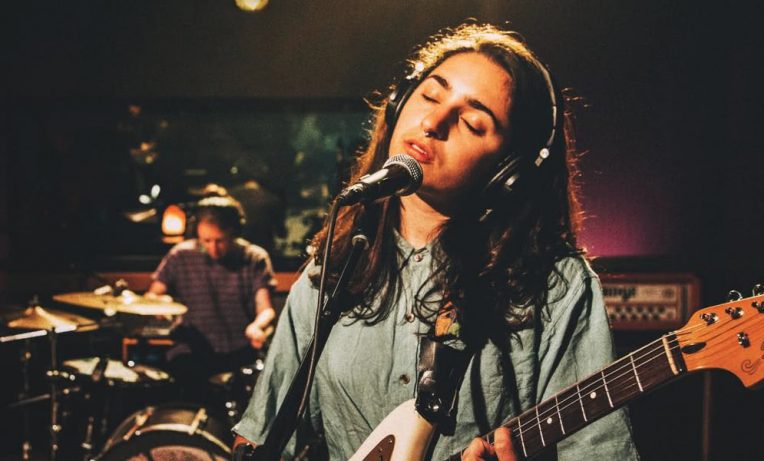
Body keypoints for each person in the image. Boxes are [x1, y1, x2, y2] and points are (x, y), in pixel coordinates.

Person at [233, 22, 639, 460]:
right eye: (430, 94)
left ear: (509, 174)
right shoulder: (333, 270)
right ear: (396, 105)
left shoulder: (555, 284)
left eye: (472, 121)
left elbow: (599, 451)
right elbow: (259, 442)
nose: (433, 122)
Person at [148, 195, 277, 401]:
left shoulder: (254, 257)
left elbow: (266, 309)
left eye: (220, 241)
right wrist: (159, 306)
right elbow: (153, 296)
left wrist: (257, 326)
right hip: (191, 349)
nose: (213, 248)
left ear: (235, 232)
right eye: (206, 240)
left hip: (238, 351)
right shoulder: (180, 255)